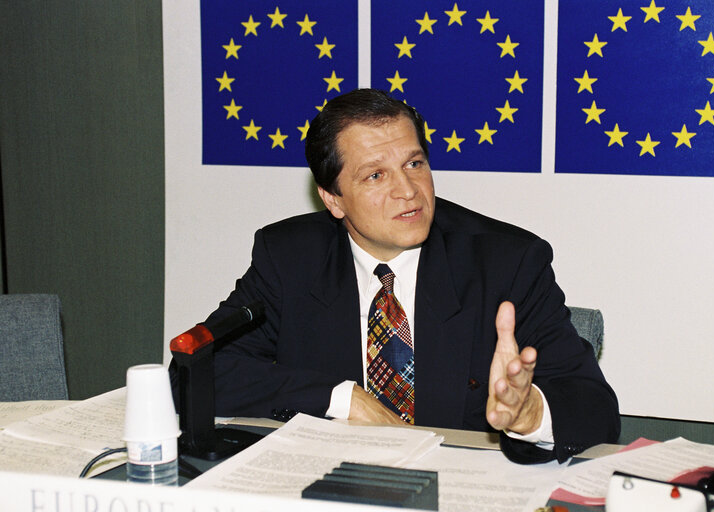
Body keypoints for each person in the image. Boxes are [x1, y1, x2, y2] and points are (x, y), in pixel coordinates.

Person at [171, 89, 620, 464]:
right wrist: (340, 398)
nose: (407, 191)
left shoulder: (507, 262)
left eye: (415, 163)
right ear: (333, 199)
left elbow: (595, 408)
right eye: (375, 176)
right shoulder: (289, 258)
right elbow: (197, 373)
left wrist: (530, 414)